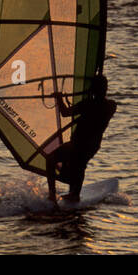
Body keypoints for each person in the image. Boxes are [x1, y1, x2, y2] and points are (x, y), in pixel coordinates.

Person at [47, 75, 116, 203]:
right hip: (92, 145)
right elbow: (95, 107)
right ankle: (74, 193)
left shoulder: (88, 104)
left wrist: (59, 98)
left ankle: (54, 195)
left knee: (52, 160)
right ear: (105, 89)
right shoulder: (111, 105)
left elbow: (65, 113)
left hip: (79, 144)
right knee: (78, 165)